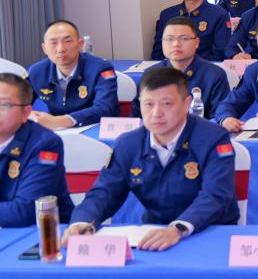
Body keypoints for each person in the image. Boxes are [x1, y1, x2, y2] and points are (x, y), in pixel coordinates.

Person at [65, 66, 239, 249]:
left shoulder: (213, 139)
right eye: (148, 104)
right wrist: (82, 222)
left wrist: (178, 229)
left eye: (167, 104)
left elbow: (215, 195)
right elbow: (104, 193)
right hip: (155, 233)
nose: (156, 113)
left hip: (211, 232)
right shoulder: (128, 144)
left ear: (187, 104)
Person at [0, 73, 74, 226]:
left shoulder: (45, 144)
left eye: (4, 105)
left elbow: (26, 211)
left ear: (26, 113)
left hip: (42, 233)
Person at [27, 20, 119, 129]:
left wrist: (58, 121)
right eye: (53, 43)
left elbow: (105, 108)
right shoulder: (37, 71)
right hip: (59, 131)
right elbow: (18, 103)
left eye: (68, 41)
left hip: (96, 129)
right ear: (44, 48)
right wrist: (29, 115)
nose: (61, 49)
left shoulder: (100, 68)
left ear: (80, 44)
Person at [149, 0, 231, 62]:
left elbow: (221, 53)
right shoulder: (167, 14)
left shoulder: (219, 14)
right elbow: (158, 52)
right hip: (171, 68)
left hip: (205, 67)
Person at [157, 17, 230, 119]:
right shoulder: (151, 74)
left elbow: (220, 117)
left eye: (184, 39)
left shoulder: (215, 75)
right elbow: (138, 115)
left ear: (196, 43)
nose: (176, 44)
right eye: (170, 39)